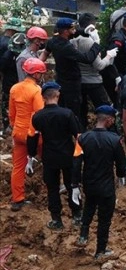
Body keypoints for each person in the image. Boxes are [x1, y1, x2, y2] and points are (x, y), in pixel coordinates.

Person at [27, 82, 83, 229]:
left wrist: (31, 156)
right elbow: (78, 135)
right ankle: (77, 215)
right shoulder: (67, 114)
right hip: (67, 155)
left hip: (49, 157)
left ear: (43, 98)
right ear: (57, 95)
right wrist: (81, 155)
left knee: (52, 188)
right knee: (72, 185)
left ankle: (56, 220)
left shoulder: (38, 117)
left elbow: (32, 138)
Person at [76, 105, 126, 261]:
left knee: (89, 207)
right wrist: (121, 177)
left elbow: (76, 163)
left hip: (89, 184)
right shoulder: (114, 140)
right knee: (104, 219)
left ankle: (83, 235)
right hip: (106, 187)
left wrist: (74, 184)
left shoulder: (83, 138)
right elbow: (121, 164)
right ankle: (100, 251)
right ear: (109, 120)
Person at [43, 18, 103, 122]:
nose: (74, 31)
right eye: (72, 29)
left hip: (60, 80)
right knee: (74, 112)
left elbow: (45, 53)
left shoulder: (53, 41)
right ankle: (76, 133)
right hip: (72, 85)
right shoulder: (66, 47)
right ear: (66, 32)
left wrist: (84, 31)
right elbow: (87, 58)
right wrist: (96, 43)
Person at [8, 58, 46, 211]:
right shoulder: (36, 91)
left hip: (18, 132)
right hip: (34, 134)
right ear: (36, 74)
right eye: (41, 73)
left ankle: (17, 199)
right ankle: (52, 190)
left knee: (17, 167)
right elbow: (40, 114)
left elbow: (12, 114)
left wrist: (15, 128)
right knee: (49, 161)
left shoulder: (14, 88)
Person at [72, 13, 116, 129]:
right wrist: (109, 56)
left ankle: (81, 133)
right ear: (92, 26)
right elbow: (99, 66)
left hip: (79, 81)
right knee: (105, 108)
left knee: (81, 110)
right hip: (93, 81)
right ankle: (110, 133)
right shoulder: (90, 42)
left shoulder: (73, 41)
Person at [1, 33, 24, 132]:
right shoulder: (7, 56)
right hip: (10, 84)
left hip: (16, 83)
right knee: (7, 105)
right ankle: (7, 125)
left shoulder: (21, 55)